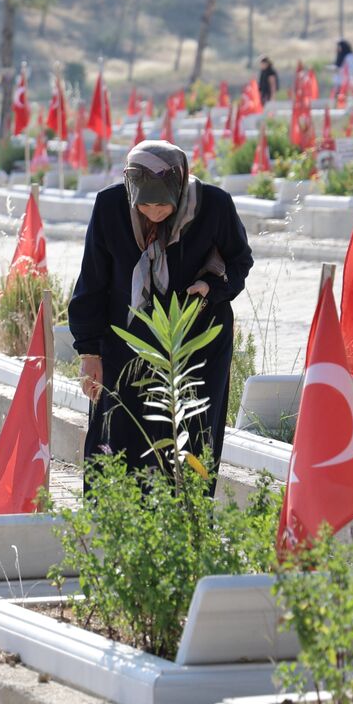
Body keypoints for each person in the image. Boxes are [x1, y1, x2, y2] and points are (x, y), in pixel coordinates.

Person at [69, 140, 252, 489]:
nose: (153, 212)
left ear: (180, 186)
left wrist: (212, 288)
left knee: (192, 434)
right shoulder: (110, 207)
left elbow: (240, 261)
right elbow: (92, 282)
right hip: (126, 340)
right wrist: (89, 353)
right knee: (118, 429)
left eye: (163, 203)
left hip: (196, 343)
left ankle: (188, 519)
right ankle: (116, 523)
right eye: (145, 204)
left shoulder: (213, 205)